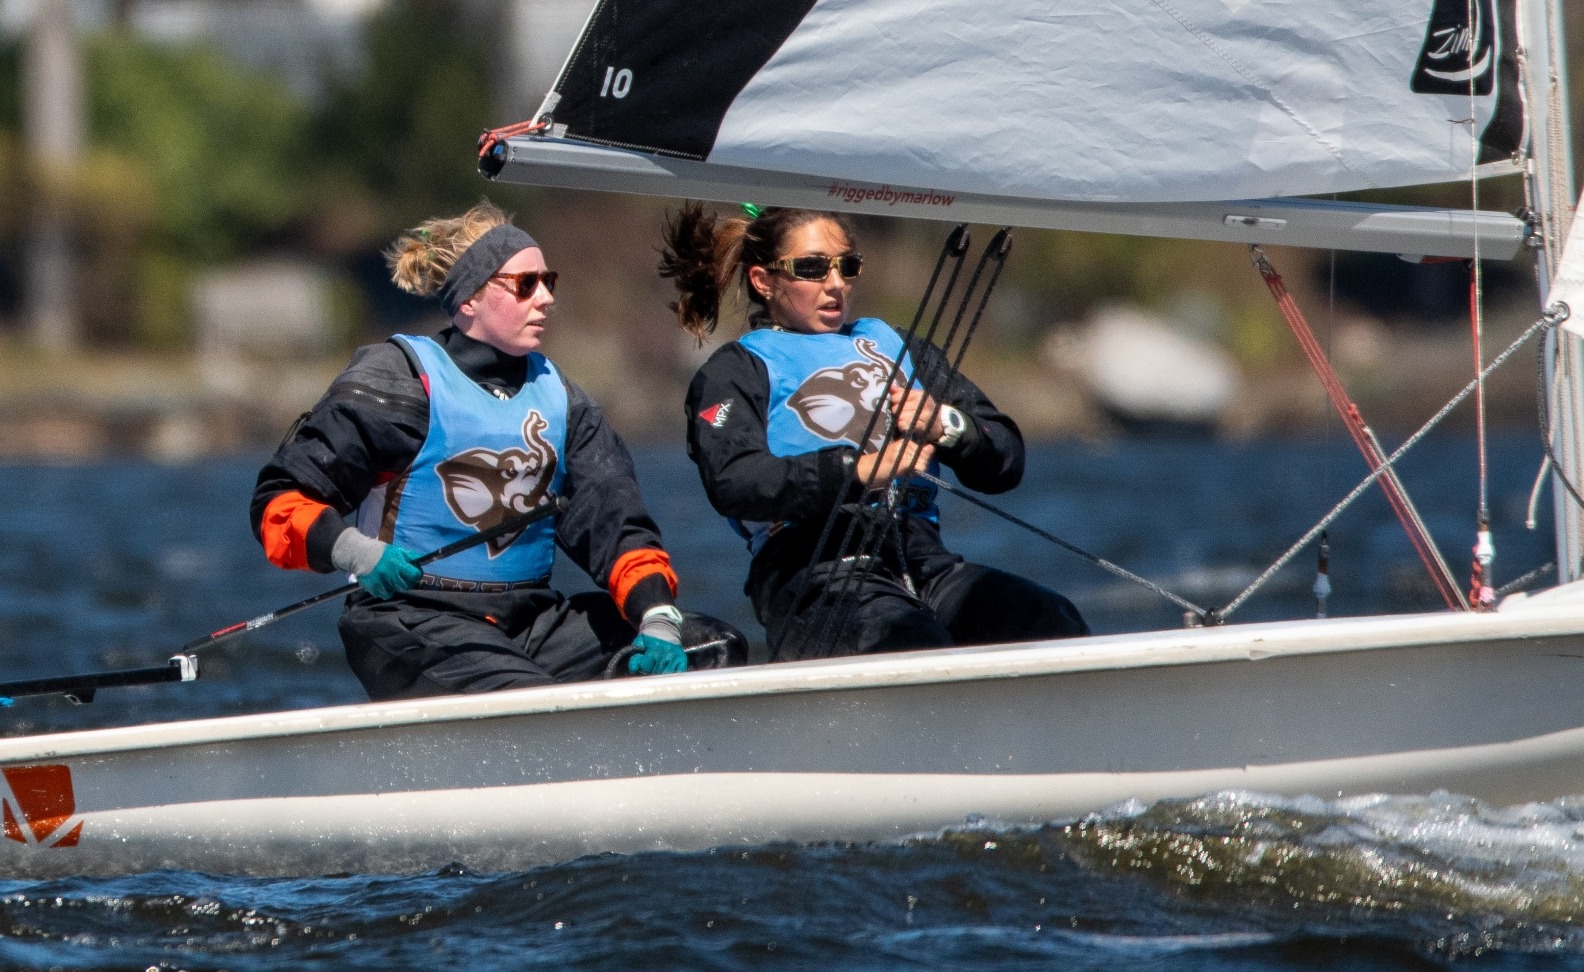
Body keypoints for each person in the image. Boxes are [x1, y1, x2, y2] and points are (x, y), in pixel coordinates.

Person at [253, 201, 742, 700]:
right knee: (524, 696)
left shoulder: (566, 402)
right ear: (469, 299)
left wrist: (656, 616)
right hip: (410, 619)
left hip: (528, 624)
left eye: (549, 281)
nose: (546, 297)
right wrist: (356, 551)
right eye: (526, 285)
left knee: (715, 647)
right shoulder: (396, 381)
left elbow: (615, 525)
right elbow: (278, 502)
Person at [662, 203, 1087, 660]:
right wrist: (857, 470)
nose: (836, 284)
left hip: (924, 564)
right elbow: (735, 481)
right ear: (763, 280)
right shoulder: (737, 370)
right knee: (908, 640)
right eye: (811, 268)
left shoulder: (895, 344)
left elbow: (1005, 460)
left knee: (1050, 621)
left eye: (847, 266)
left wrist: (946, 425)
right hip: (816, 575)